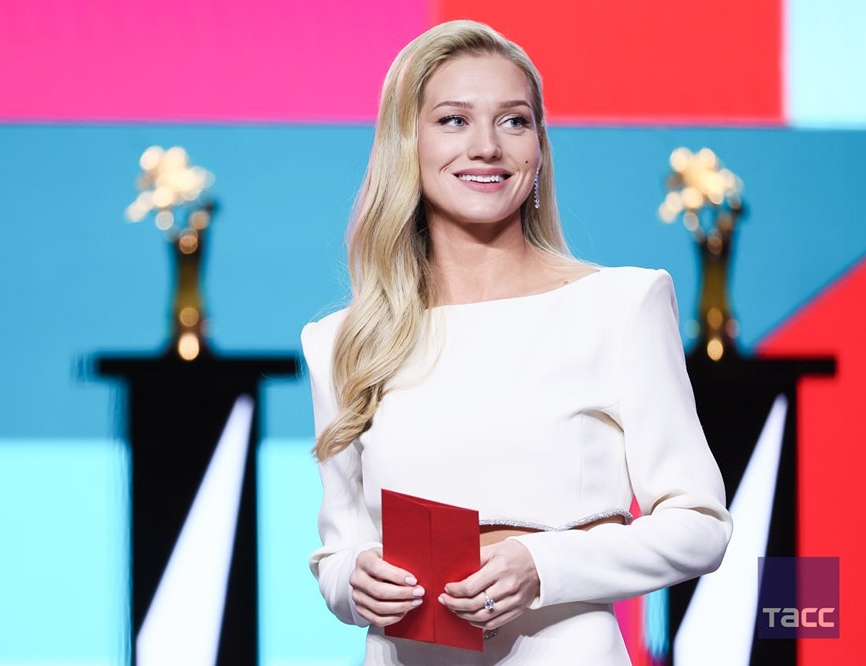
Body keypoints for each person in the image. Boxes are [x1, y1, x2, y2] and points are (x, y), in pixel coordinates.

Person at [300, 19, 731, 665]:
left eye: (514, 121)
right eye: (453, 120)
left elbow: (700, 527)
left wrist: (542, 565)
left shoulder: (618, 305)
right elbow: (340, 552)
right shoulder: (344, 340)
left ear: (539, 147)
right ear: (405, 144)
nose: (487, 147)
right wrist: (352, 581)